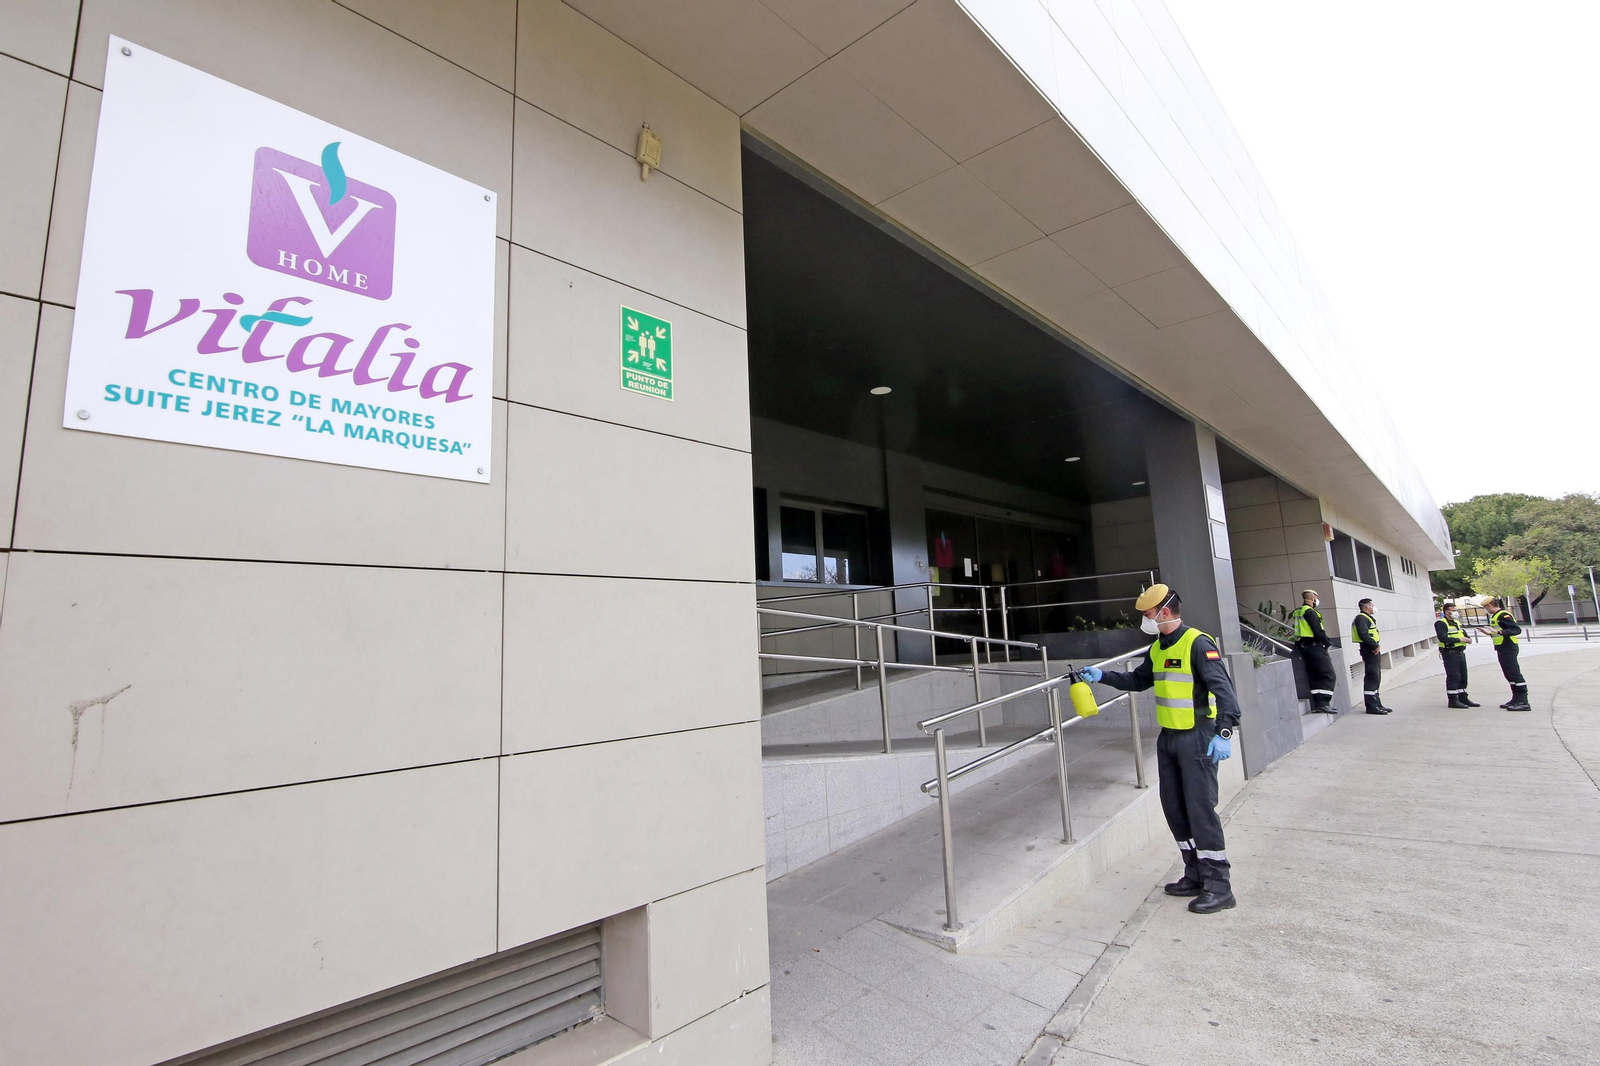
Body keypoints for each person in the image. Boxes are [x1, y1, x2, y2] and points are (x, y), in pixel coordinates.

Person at [1080, 584, 1240, 914]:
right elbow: (1139, 680)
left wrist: (1224, 732)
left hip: (1198, 736)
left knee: (1200, 810)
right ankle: (1194, 874)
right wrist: (1102, 676)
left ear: (1164, 612)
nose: (1144, 619)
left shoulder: (1198, 643)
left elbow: (1224, 692)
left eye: (1147, 614)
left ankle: (1219, 887)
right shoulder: (1158, 647)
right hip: (1169, 739)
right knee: (1175, 810)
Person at [1289, 589, 1338, 713]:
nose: (1317, 599)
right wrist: (1327, 643)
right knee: (1328, 674)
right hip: (1314, 646)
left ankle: (1319, 704)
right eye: (1316, 597)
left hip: (1303, 646)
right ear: (1312, 598)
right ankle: (1324, 702)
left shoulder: (1298, 611)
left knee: (1315, 675)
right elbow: (1317, 630)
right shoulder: (1310, 612)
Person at [1481, 597, 1530, 711]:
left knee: (1514, 673)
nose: (1485, 610)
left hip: (1508, 647)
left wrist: (1498, 632)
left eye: (1485, 607)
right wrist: (1489, 633)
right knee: (1509, 674)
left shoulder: (1503, 615)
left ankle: (1523, 701)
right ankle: (1516, 699)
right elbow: (1498, 632)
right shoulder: (1496, 616)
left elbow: (1516, 630)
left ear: (1489, 605)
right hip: (1502, 647)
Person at [1351, 598, 1391, 714]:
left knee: (1376, 677)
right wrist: (1374, 646)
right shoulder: (1361, 618)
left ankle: (1377, 704)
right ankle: (1371, 706)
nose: (1374, 607)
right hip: (1369, 650)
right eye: (1372, 605)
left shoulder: (1366, 618)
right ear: (1367, 606)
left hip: (1372, 649)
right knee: (1372, 677)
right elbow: (1363, 634)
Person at [1435, 602, 1478, 708]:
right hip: (1450, 653)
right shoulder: (1441, 623)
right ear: (1446, 612)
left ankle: (1463, 698)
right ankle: (1453, 700)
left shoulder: (1456, 623)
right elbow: (1443, 638)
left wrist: (1468, 639)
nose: (1455, 612)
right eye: (1453, 610)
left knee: (1463, 676)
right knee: (1454, 676)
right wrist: (1460, 639)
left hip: (1460, 652)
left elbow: (1463, 634)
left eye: (1455, 610)